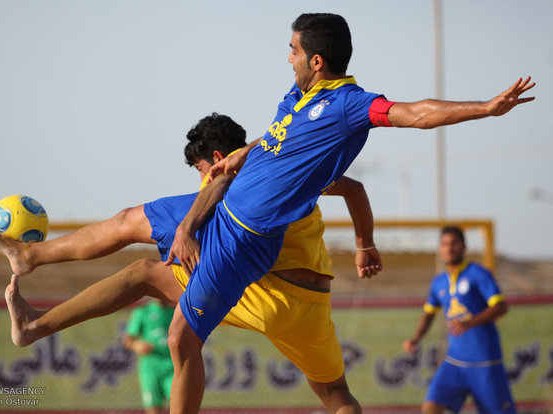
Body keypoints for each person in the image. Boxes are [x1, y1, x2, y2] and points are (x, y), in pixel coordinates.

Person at [160, 13, 533, 413]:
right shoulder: (295, 98)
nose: (289, 58)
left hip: (261, 244)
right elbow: (274, 138)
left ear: (316, 61)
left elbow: (415, 114)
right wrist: (242, 154)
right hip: (248, 228)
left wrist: (486, 108)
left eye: (293, 50)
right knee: (134, 253)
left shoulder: (348, 105)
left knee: (146, 273)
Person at [0, 113, 381, 414]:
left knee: (139, 258)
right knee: (336, 395)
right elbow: (356, 189)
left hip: (261, 289)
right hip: (310, 303)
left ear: (218, 158)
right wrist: (365, 246)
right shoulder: (290, 168)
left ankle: (31, 272)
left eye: (200, 169)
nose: (201, 179)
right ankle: (32, 321)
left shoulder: (219, 186)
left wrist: (189, 225)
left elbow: (129, 222)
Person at [402, 226, 515, 413]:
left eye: (454, 243)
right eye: (445, 244)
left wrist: (469, 322)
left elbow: (500, 306)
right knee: (430, 408)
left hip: (484, 361)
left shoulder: (479, 274)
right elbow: (428, 313)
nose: (449, 248)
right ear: (440, 248)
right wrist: (416, 337)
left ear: (464, 246)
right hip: (454, 361)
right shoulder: (439, 282)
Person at [123, 299, 175, 414]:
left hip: (172, 366)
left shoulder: (176, 312)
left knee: (179, 403)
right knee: (153, 407)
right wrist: (137, 345)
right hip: (150, 367)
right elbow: (128, 339)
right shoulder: (142, 312)